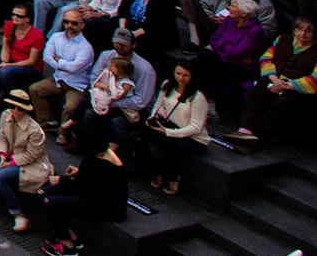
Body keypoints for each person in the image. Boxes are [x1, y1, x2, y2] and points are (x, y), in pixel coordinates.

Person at [229, 16, 317, 146]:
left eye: (308, 31)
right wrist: (275, 80)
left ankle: (258, 139)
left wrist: (286, 86)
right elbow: (266, 59)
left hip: (300, 91)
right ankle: (245, 131)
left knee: (280, 105)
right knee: (256, 93)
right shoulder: (282, 39)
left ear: (315, 34)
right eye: (300, 29)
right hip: (275, 81)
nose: (303, 34)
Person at [0, 90, 52, 233]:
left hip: (28, 164)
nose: (15, 111)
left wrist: (9, 163)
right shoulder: (6, 115)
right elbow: (2, 138)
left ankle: (19, 215)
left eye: (20, 108)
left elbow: (30, 156)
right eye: (12, 106)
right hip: (7, 152)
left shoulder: (35, 131)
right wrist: (3, 156)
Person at [38, 138, 127, 256]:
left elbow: (82, 188)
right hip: (93, 194)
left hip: (104, 206)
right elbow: (90, 180)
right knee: (42, 193)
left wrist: (61, 179)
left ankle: (67, 246)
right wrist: (79, 173)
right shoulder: (99, 156)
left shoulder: (100, 163)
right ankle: (72, 236)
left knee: (51, 202)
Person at [139, 59, 207, 195]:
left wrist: (169, 132)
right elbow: (158, 105)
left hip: (193, 139)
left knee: (167, 144)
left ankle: (171, 178)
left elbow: (196, 127)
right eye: (178, 73)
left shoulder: (197, 97)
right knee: (147, 136)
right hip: (169, 128)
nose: (181, 78)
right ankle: (149, 171)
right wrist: (152, 120)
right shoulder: (167, 85)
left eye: (185, 75)